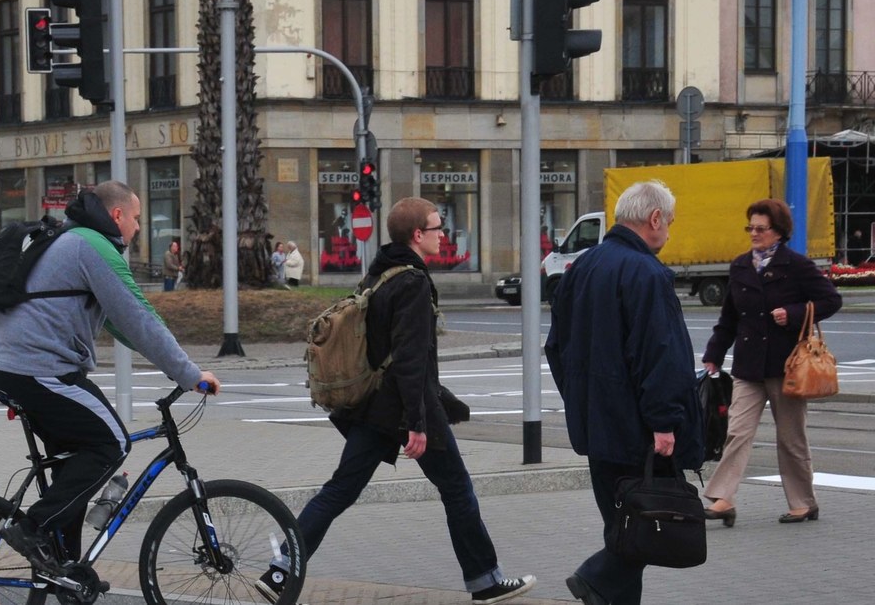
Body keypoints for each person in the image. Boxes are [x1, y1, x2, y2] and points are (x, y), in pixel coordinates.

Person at [258, 197, 535, 605]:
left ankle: (280, 572)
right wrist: (417, 424)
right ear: (417, 235)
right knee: (458, 489)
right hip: (403, 409)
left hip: (373, 407)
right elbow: (410, 360)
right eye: (439, 228)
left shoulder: (380, 274)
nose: (445, 235)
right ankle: (485, 582)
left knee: (338, 491)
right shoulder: (413, 283)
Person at [0, 180, 221, 574]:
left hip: (10, 365)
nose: (139, 227)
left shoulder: (70, 240)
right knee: (111, 442)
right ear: (118, 215)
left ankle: (65, 569)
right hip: (37, 368)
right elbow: (139, 317)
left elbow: (121, 325)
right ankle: (32, 527)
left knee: (75, 461)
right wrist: (190, 374)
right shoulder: (93, 245)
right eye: (137, 218)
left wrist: (173, 365)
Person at [544, 180, 703, 605]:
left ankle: (607, 593)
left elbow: (556, 347)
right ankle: (595, 577)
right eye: (668, 222)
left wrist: (582, 401)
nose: (668, 232)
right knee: (643, 525)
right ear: (654, 219)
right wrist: (665, 422)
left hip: (597, 427)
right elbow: (661, 355)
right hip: (640, 431)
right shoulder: (647, 273)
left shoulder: (581, 268)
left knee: (621, 523)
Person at [701, 199, 842, 527]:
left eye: (760, 228)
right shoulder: (740, 267)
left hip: (787, 367)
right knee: (736, 433)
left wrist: (792, 314)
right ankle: (724, 498)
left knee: (791, 438)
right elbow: (729, 318)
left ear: (778, 232)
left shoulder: (797, 266)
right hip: (748, 367)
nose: (754, 233)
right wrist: (714, 354)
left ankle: (804, 503)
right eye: (750, 227)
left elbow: (831, 299)